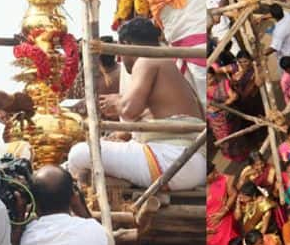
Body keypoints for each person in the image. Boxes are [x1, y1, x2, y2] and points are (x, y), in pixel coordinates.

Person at [68, 18, 205, 191]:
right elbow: (137, 120)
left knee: (78, 154)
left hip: (174, 162)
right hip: (187, 162)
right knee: (89, 153)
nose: (120, 58)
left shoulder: (146, 60)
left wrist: (117, 102)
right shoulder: (166, 63)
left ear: (126, 44)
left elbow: (128, 110)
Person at [18, 166, 106, 245]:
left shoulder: (24, 237)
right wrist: (81, 209)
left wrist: (19, 216)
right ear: (73, 197)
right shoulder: (94, 230)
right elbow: (96, 228)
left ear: (33, 202)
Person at [263, 4, 290, 70]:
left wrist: (264, 53)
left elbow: (274, 47)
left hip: (287, 59)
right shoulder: (287, 15)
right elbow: (272, 14)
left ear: (273, 16)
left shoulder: (279, 31)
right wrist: (261, 18)